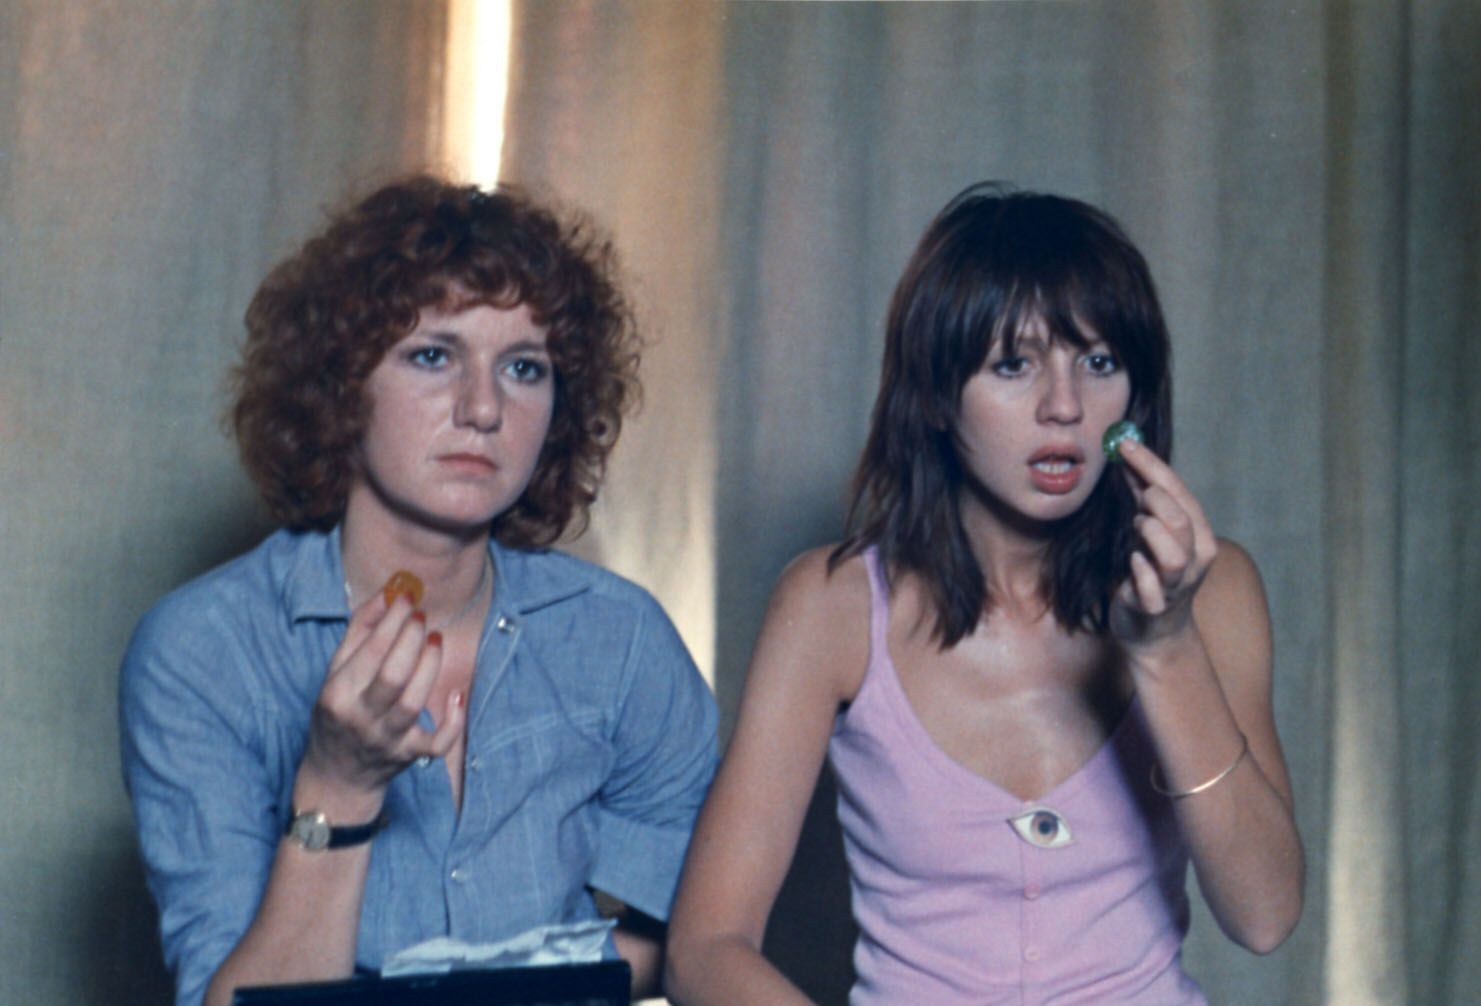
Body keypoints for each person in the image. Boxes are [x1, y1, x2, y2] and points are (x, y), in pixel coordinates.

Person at [665, 184, 1303, 1004]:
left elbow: (1264, 916)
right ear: (935, 393)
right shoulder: (831, 606)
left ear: (1134, 400)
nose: (1063, 407)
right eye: (1013, 364)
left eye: (1098, 363)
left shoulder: (1214, 593)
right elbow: (705, 948)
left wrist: (1165, 647)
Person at [120, 176, 718, 1006]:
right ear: (338, 384)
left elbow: (705, 939)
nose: (483, 408)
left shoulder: (621, 641)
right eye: (433, 356)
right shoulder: (201, 652)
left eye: (524, 368)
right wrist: (340, 784)